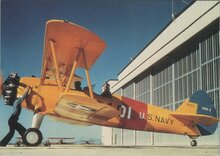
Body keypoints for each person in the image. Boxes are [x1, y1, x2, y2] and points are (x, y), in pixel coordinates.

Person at [0, 73, 30, 146]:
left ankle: (27, 141)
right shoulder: (17, 102)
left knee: (21, 130)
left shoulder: (15, 102)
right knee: (14, 132)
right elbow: (23, 97)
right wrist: (28, 89)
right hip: (13, 119)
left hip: (13, 119)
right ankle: (2, 144)